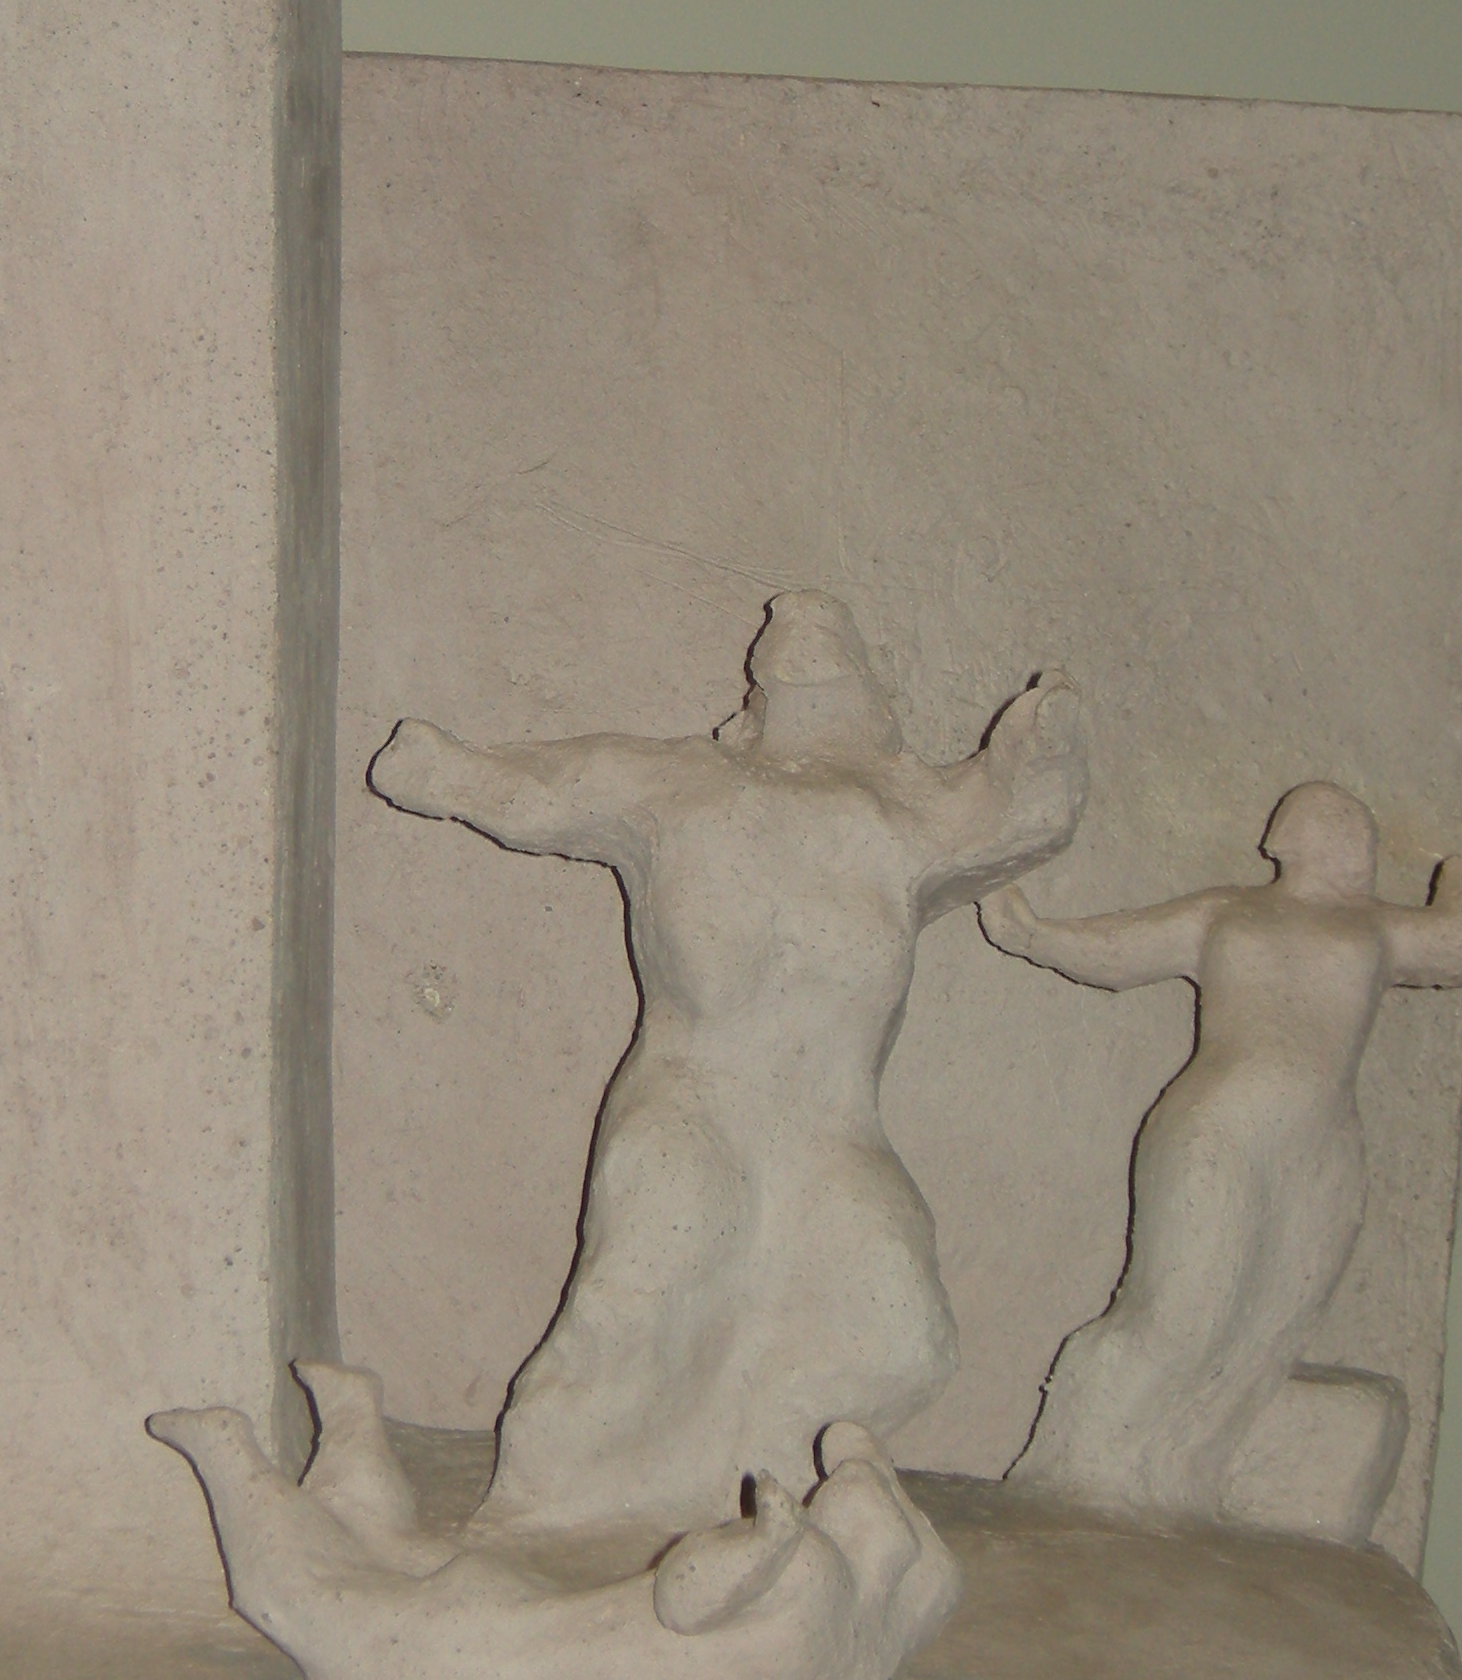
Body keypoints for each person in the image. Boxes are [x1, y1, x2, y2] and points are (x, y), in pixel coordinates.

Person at [370, 592, 1087, 1534]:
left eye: (833, 658)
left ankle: (764, 1478)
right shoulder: (675, 785)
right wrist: (446, 768)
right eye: (791, 656)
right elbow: (545, 785)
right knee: (647, 1285)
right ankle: (548, 1515)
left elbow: (1026, 809)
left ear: (873, 695)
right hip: (690, 1102)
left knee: (902, 1328)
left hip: (829, 1130)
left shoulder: (910, 814)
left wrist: (1045, 740)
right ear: (754, 693)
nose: (806, 654)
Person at [982, 783, 1462, 1519]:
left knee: (1274, 1320)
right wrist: (1035, 933)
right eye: (1345, 828)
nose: (1362, 846)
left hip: (1322, 1147)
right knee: (1183, 1311)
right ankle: (1077, 1474)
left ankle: (1183, 1483)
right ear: (1294, 839)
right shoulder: (1229, 913)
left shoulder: (1374, 928)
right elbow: (1121, 949)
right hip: (1220, 1129)